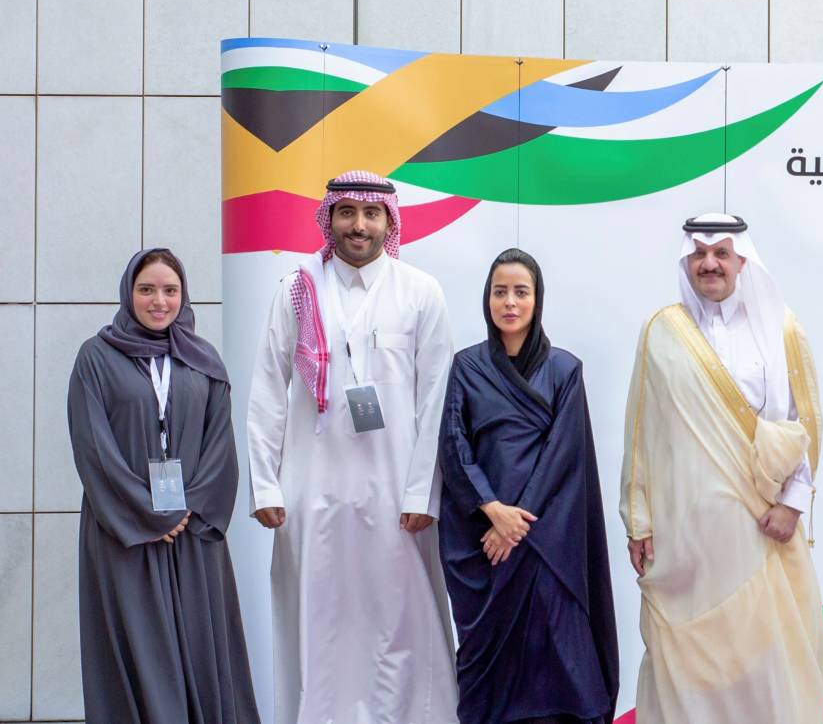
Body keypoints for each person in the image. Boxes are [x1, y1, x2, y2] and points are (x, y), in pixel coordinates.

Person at [245, 171, 458, 723]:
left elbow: (437, 400)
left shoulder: (420, 291)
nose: (358, 225)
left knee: (400, 621)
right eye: (347, 213)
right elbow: (267, 389)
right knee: (320, 620)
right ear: (330, 218)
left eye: (371, 214)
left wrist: (423, 493)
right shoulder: (297, 288)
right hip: (310, 490)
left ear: (389, 221)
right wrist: (265, 484)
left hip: (396, 495)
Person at [620, 214, 823, 722]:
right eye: (699, 254)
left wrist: (792, 505)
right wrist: (638, 521)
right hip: (683, 539)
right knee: (690, 670)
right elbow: (641, 431)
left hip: (760, 531)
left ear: (742, 261)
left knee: (765, 663)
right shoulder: (662, 331)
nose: (709, 264)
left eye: (721, 254)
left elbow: (804, 423)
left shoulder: (781, 329)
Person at [70, 248, 259, 724]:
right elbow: (93, 446)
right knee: (140, 646)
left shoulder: (202, 359)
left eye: (170, 290)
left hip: (191, 530)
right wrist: (147, 513)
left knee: (199, 642)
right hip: (124, 532)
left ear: (184, 295)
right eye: (147, 289)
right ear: (128, 293)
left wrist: (187, 509)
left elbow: (221, 443)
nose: (159, 301)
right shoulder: (96, 357)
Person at [440, 248, 618, 724]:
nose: (510, 302)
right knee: (489, 672)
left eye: (521, 292)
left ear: (537, 300)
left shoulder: (565, 370)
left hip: (546, 543)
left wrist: (517, 525)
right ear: (487, 299)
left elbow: (564, 454)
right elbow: (454, 445)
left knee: (560, 661)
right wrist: (492, 510)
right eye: (500, 292)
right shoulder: (467, 367)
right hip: (483, 542)